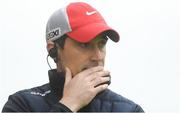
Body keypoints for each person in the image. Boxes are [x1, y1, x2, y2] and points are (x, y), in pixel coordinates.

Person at [2, 2, 144, 112]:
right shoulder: (22, 104)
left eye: (101, 44)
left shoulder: (128, 110)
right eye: (84, 44)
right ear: (54, 51)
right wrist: (68, 104)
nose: (97, 56)